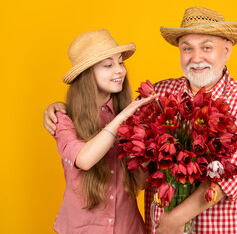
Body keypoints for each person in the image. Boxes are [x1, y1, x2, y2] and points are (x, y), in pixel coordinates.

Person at [44, 7, 237, 234]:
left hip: (218, 229)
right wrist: (59, 109)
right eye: (187, 48)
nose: (196, 58)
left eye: (207, 47)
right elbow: (118, 126)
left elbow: (228, 180)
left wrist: (174, 220)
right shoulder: (159, 94)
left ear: (227, 50)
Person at [48, 29, 156, 234]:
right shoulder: (63, 119)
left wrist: (150, 148)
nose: (120, 71)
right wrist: (123, 118)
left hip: (128, 228)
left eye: (120, 62)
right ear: (87, 74)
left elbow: (139, 184)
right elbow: (84, 159)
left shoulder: (134, 115)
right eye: (108, 65)